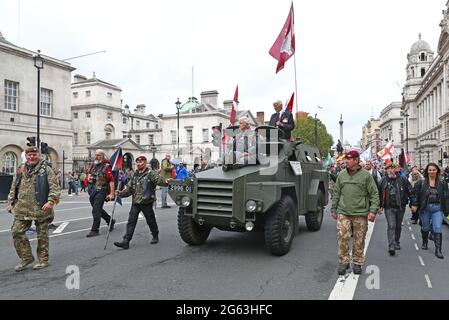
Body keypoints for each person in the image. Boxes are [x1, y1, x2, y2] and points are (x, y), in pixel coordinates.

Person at [6, 146, 61, 271]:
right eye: (29, 155)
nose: (31, 157)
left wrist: (51, 201)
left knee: (42, 235)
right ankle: (26, 257)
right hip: (22, 207)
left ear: (39, 156)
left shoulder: (46, 169)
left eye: (34, 155)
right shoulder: (21, 169)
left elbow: (54, 187)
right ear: (26, 156)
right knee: (16, 232)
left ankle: (43, 259)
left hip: (41, 207)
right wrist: (10, 202)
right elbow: (14, 186)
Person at [331, 150, 380, 275]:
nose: (346, 161)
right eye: (346, 159)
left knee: (359, 239)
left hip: (360, 213)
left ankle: (357, 262)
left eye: (349, 159)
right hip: (344, 212)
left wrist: (373, 210)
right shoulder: (341, 175)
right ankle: (344, 262)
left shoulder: (366, 176)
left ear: (356, 161)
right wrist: (334, 209)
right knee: (342, 237)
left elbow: (374, 193)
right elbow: (336, 192)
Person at [114, 156, 169, 249]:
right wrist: (120, 193)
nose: (139, 164)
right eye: (137, 162)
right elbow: (129, 188)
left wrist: (166, 181)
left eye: (141, 162)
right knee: (131, 221)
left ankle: (155, 235)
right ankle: (126, 240)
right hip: (136, 201)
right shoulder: (134, 175)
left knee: (150, 220)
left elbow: (159, 181)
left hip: (146, 201)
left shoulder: (150, 173)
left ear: (145, 163)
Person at [410, 163, 448, 259]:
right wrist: (414, 205)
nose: (432, 171)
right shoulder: (421, 182)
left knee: (437, 227)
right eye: (430, 170)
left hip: (437, 209)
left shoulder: (442, 183)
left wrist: (446, 209)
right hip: (425, 209)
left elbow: (446, 197)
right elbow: (415, 194)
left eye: (433, 170)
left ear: (437, 171)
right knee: (425, 228)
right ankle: (425, 241)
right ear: (427, 171)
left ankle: (438, 250)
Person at [378, 163, 412, 256]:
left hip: (400, 207)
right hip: (389, 207)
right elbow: (378, 193)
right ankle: (391, 246)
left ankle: (397, 241)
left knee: (398, 226)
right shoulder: (383, 180)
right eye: (388, 169)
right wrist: (378, 206)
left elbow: (410, 191)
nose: (390, 170)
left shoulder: (403, 179)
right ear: (386, 170)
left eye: (392, 168)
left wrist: (413, 204)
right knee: (391, 225)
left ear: (396, 170)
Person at [85, 149, 116, 237]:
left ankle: (95, 230)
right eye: (96, 155)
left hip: (101, 190)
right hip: (92, 191)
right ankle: (110, 220)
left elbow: (111, 181)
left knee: (95, 210)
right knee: (98, 209)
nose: (96, 156)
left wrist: (112, 194)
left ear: (102, 156)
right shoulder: (93, 166)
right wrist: (88, 180)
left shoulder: (107, 166)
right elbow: (89, 175)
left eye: (98, 155)